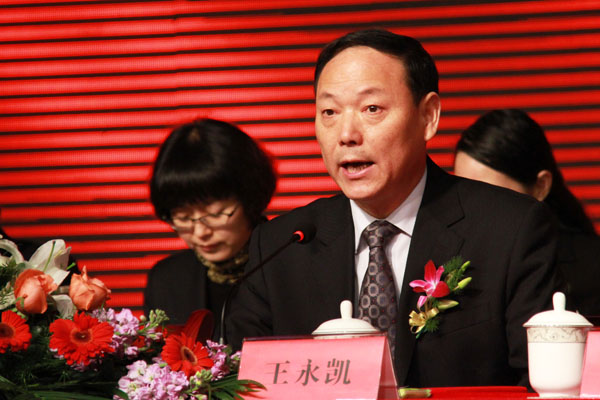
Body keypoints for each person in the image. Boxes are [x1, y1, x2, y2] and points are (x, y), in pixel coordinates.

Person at [227, 29, 560, 388]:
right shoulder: (281, 245)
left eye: (372, 109)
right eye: (329, 112)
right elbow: (239, 385)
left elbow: (544, 384)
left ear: (428, 116)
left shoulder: (509, 230)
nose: (347, 134)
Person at [454, 109, 600, 317]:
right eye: (463, 193)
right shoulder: (449, 261)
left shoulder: (591, 271)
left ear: (541, 186)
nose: (473, 210)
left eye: (491, 196)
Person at [143, 118, 276, 340]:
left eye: (215, 214)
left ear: (250, 199)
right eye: (183, 218)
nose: (200, 233)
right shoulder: (166, 280)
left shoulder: (290, 264)